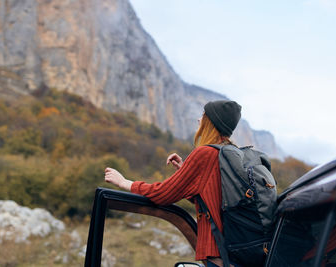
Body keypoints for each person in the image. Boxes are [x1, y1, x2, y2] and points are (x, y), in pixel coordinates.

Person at [104, 100, 242, 267]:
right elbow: (213, 198)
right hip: (236, 256)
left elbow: (163, 194)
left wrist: (125, 183)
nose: (199, 120)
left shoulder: (205, 153)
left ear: (211, 123)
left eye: (203, 116)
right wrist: (185, 172)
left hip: (219, 258)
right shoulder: (231, 154)